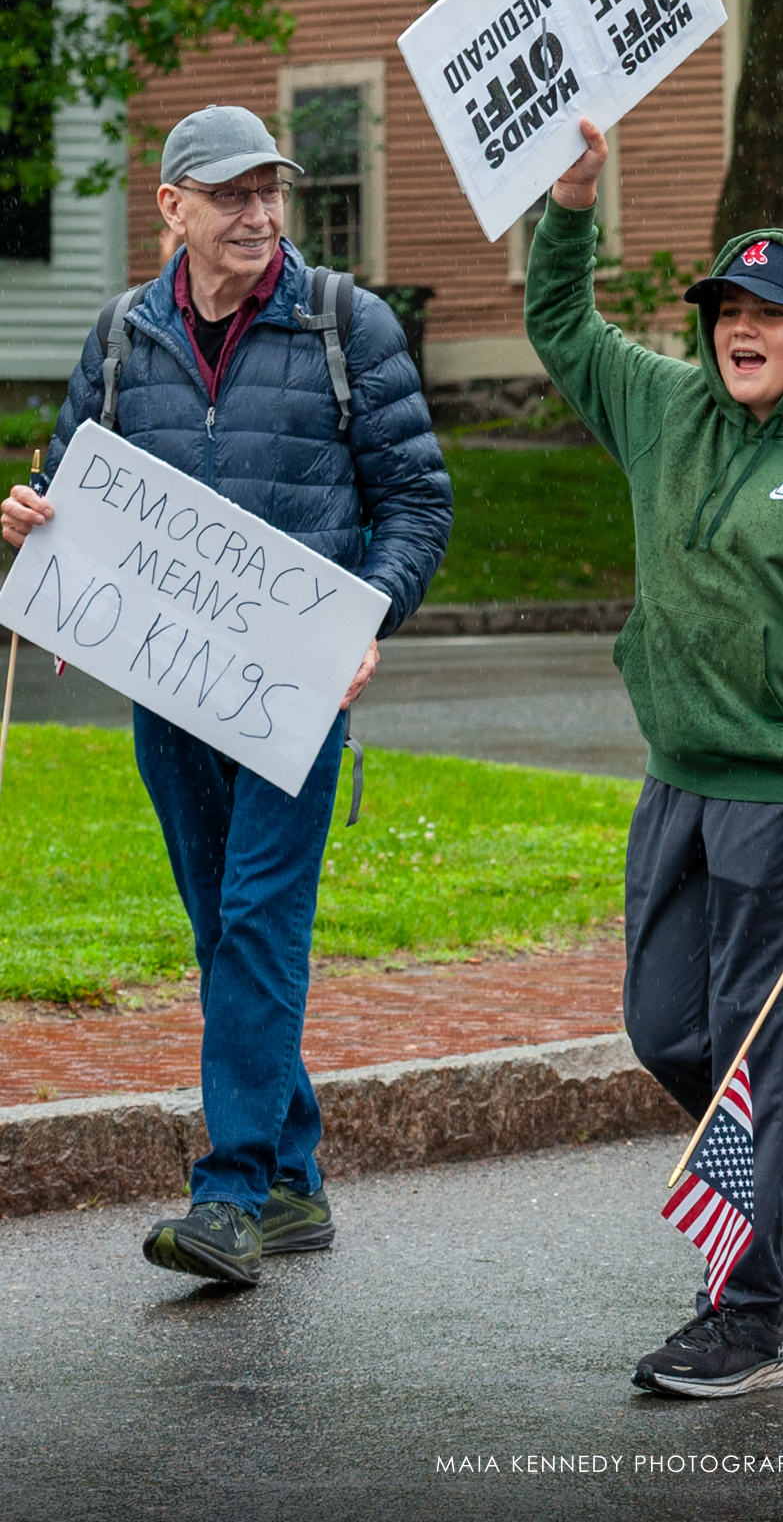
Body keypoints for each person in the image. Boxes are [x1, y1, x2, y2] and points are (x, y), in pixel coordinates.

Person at [2, 104, 451, 1289]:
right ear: (174, 207)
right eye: (231, 193)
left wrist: (368, 615)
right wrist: (33, 519)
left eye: (270, 191)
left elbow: (418, 501)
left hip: (296, 690)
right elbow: (70, 486)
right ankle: (295, 1178)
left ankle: (232, 1192)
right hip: (170, 694)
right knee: (220, 930)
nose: (259, 214)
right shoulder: (121, 334)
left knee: (257, 920)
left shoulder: (347, 323)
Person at [527, 118, 783, 1399]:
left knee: (757, 1064)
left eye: (770, 313)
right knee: (668, 1035)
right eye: (726, 311)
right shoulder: (666, 413)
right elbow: (561, 326)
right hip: (677, 785)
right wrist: (571, 204)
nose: (741, 330)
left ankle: (749, 1319)